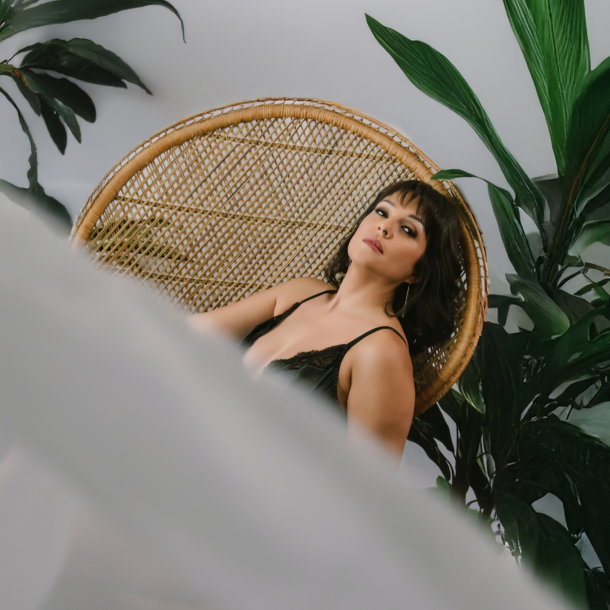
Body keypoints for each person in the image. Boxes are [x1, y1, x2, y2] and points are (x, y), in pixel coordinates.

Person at [188, 180, 463, 458]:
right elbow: (191, 333)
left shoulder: (381, 352)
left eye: (408, 230)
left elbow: (367, 481)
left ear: (419, 272)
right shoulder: (302, 292)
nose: (384, 227)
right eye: (382, 212)